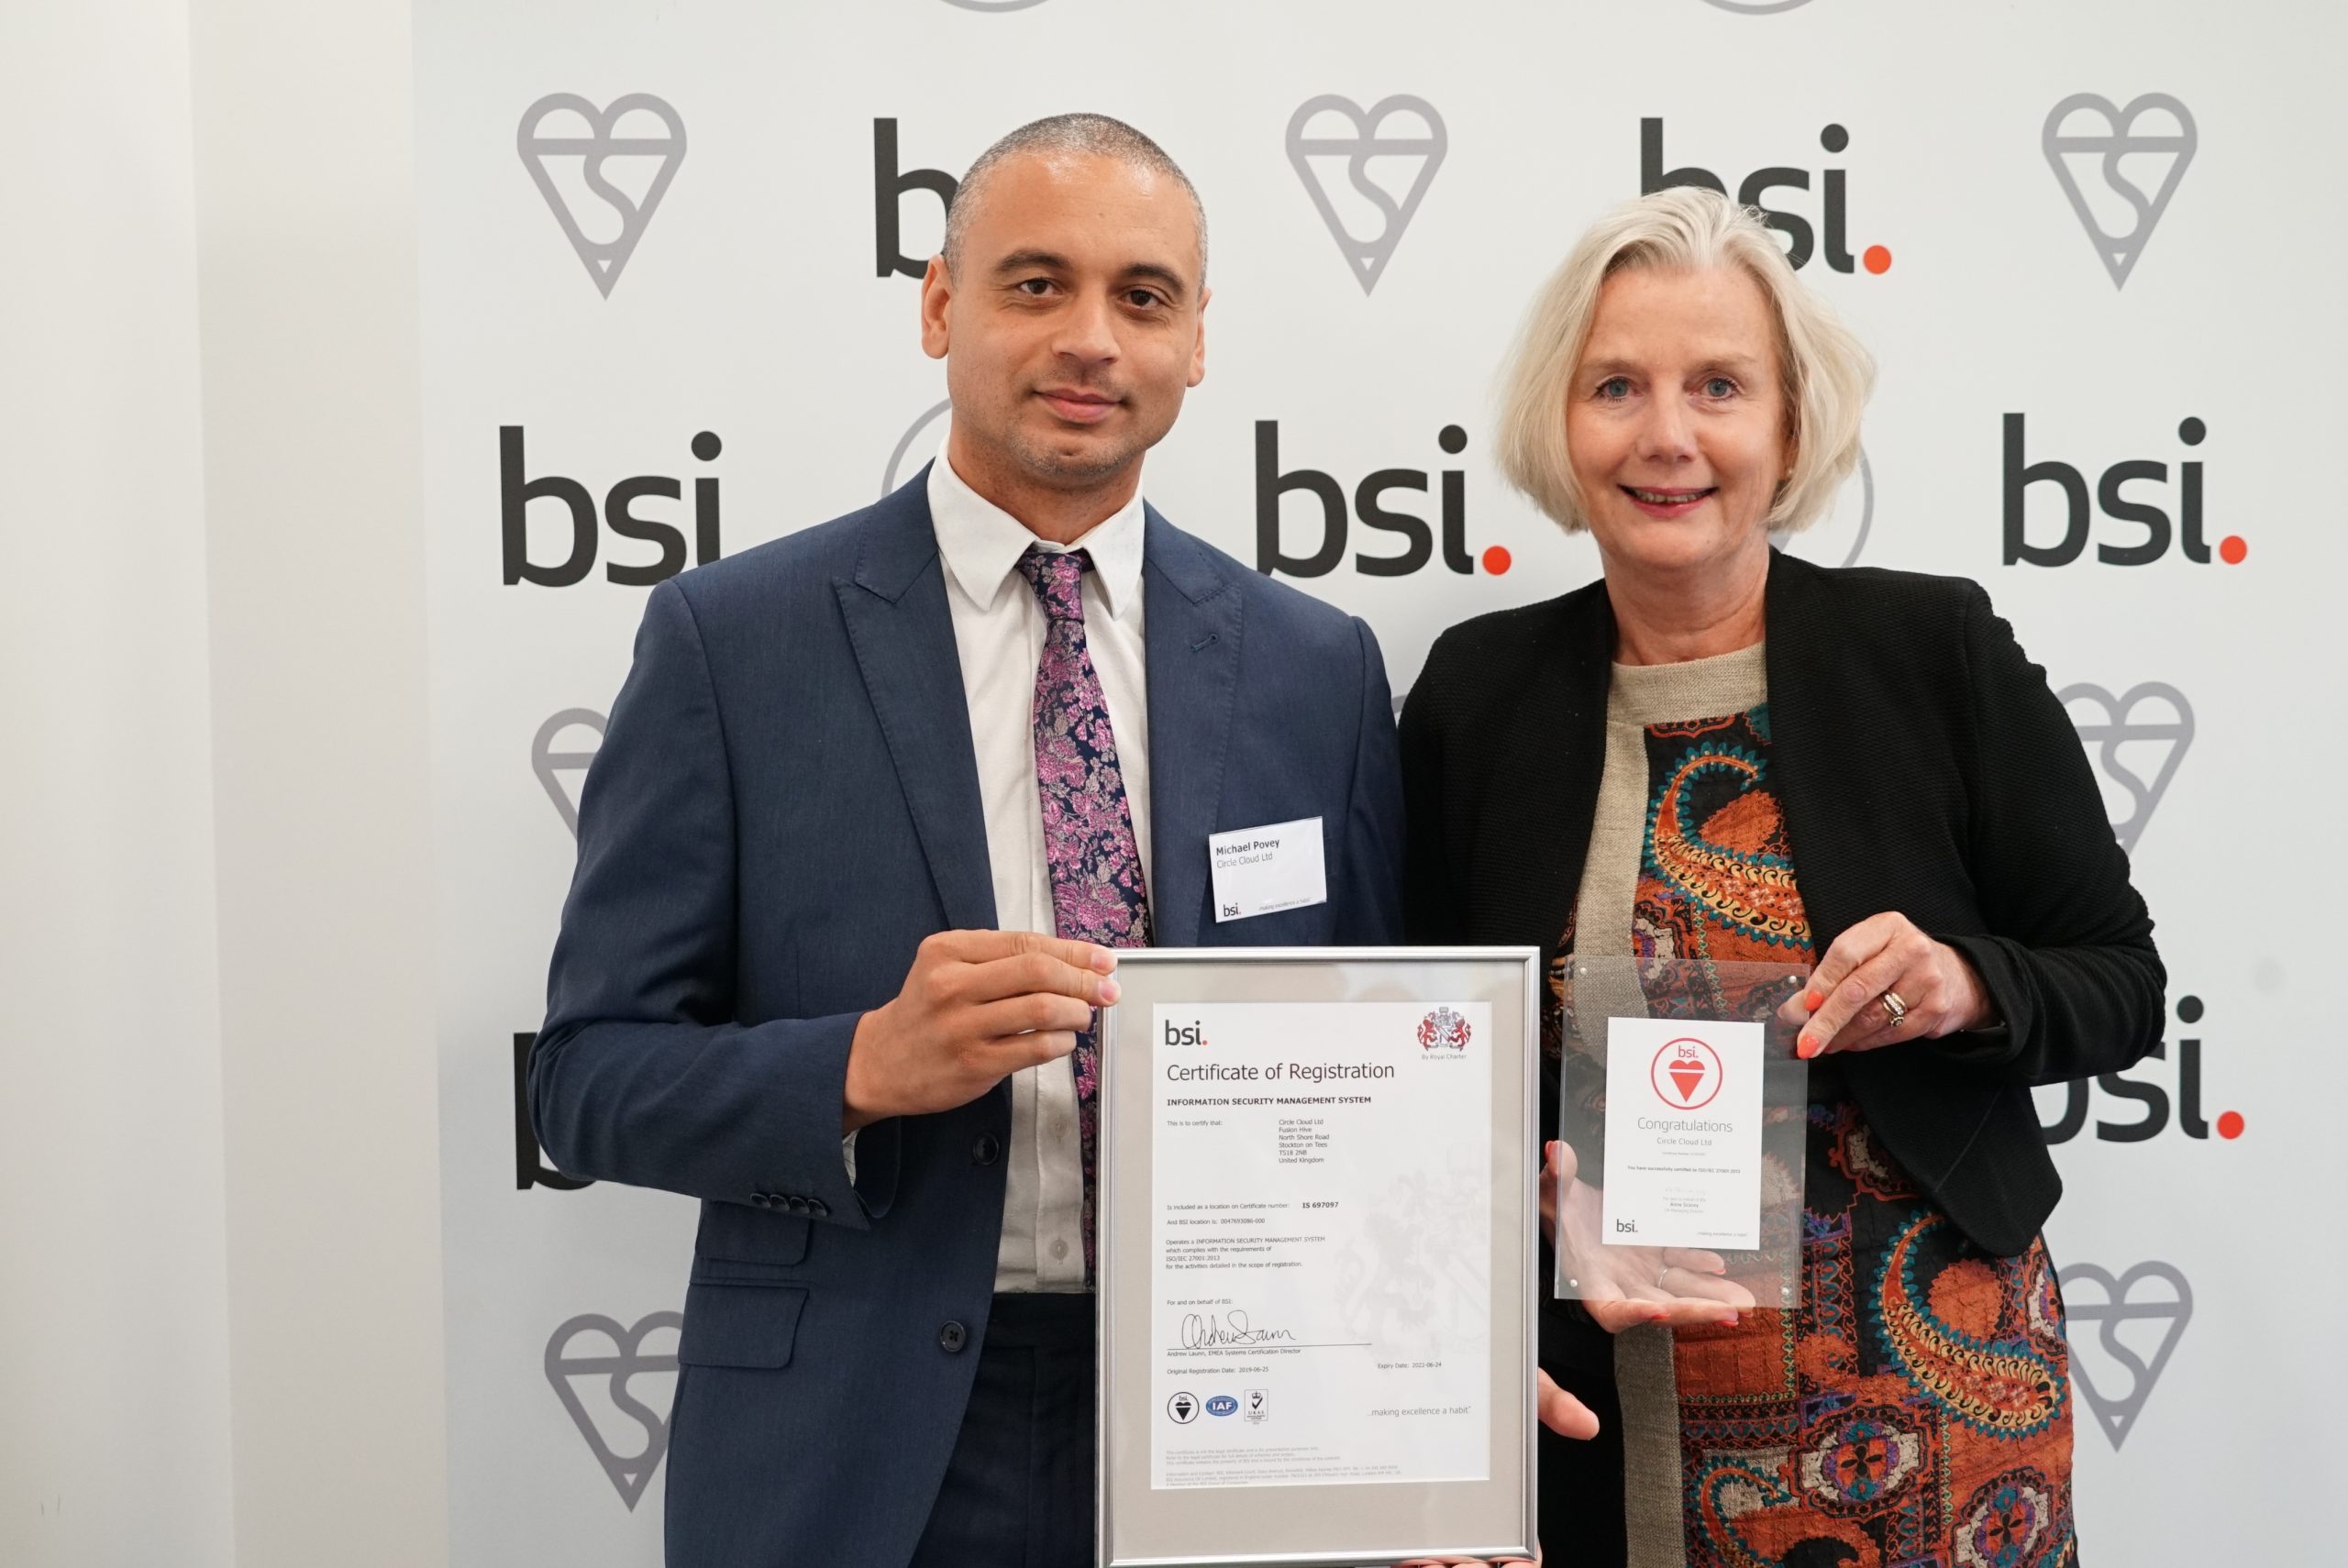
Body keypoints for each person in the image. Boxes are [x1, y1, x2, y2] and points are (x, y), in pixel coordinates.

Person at [531, 114, 1404, 1568]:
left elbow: (1386, 1067)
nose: (1091, 339)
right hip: (855, 1435)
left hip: (1239, 1415)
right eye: (1036, 283)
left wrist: (1434, 1386)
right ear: (941, 305)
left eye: (1142, 296)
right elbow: (583, 1079)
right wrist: (861, 1065)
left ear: (1196, 341)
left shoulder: (1318, 669)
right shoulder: (733, 644)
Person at [1400, 186, 2162, 1567]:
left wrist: (1962, 982)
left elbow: (2119, 981)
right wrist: (1530, 1209)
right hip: (1601, 1401)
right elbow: (1417, 1062)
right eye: (1616, 386)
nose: (1667, 433)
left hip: (1937, 1412)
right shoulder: (1477, 692)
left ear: (1792, 426)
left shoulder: (1934, 650)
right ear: (1559, 424)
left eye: (1720, 386)